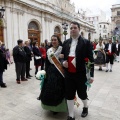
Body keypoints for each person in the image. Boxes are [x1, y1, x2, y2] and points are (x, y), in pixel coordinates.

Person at [61, 21, 94, 120]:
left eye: (74, 28)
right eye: (71, 28)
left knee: (82, 94)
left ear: (79, 29)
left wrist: (91, 75)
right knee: (69, 94)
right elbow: (62, 56)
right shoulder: (66, 42)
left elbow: (91, 60)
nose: (72, 30)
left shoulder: (86, 43)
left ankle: (85, 106)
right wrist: (63, 62)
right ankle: (71, 115)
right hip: (69, 74)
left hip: (81, 74)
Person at [40, 35, 67, 113]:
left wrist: (63, 58)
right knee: (49, 89)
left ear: (58, 40)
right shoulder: (49, 50)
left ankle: (58, 108)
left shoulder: (62, 49)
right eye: (52, 40)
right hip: (51, 72)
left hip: (60, 72)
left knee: (59, 89)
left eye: (55, 40)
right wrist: (45, 71)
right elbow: (47, 62)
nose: (53, 41)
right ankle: (50, 107)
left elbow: (65, 60)